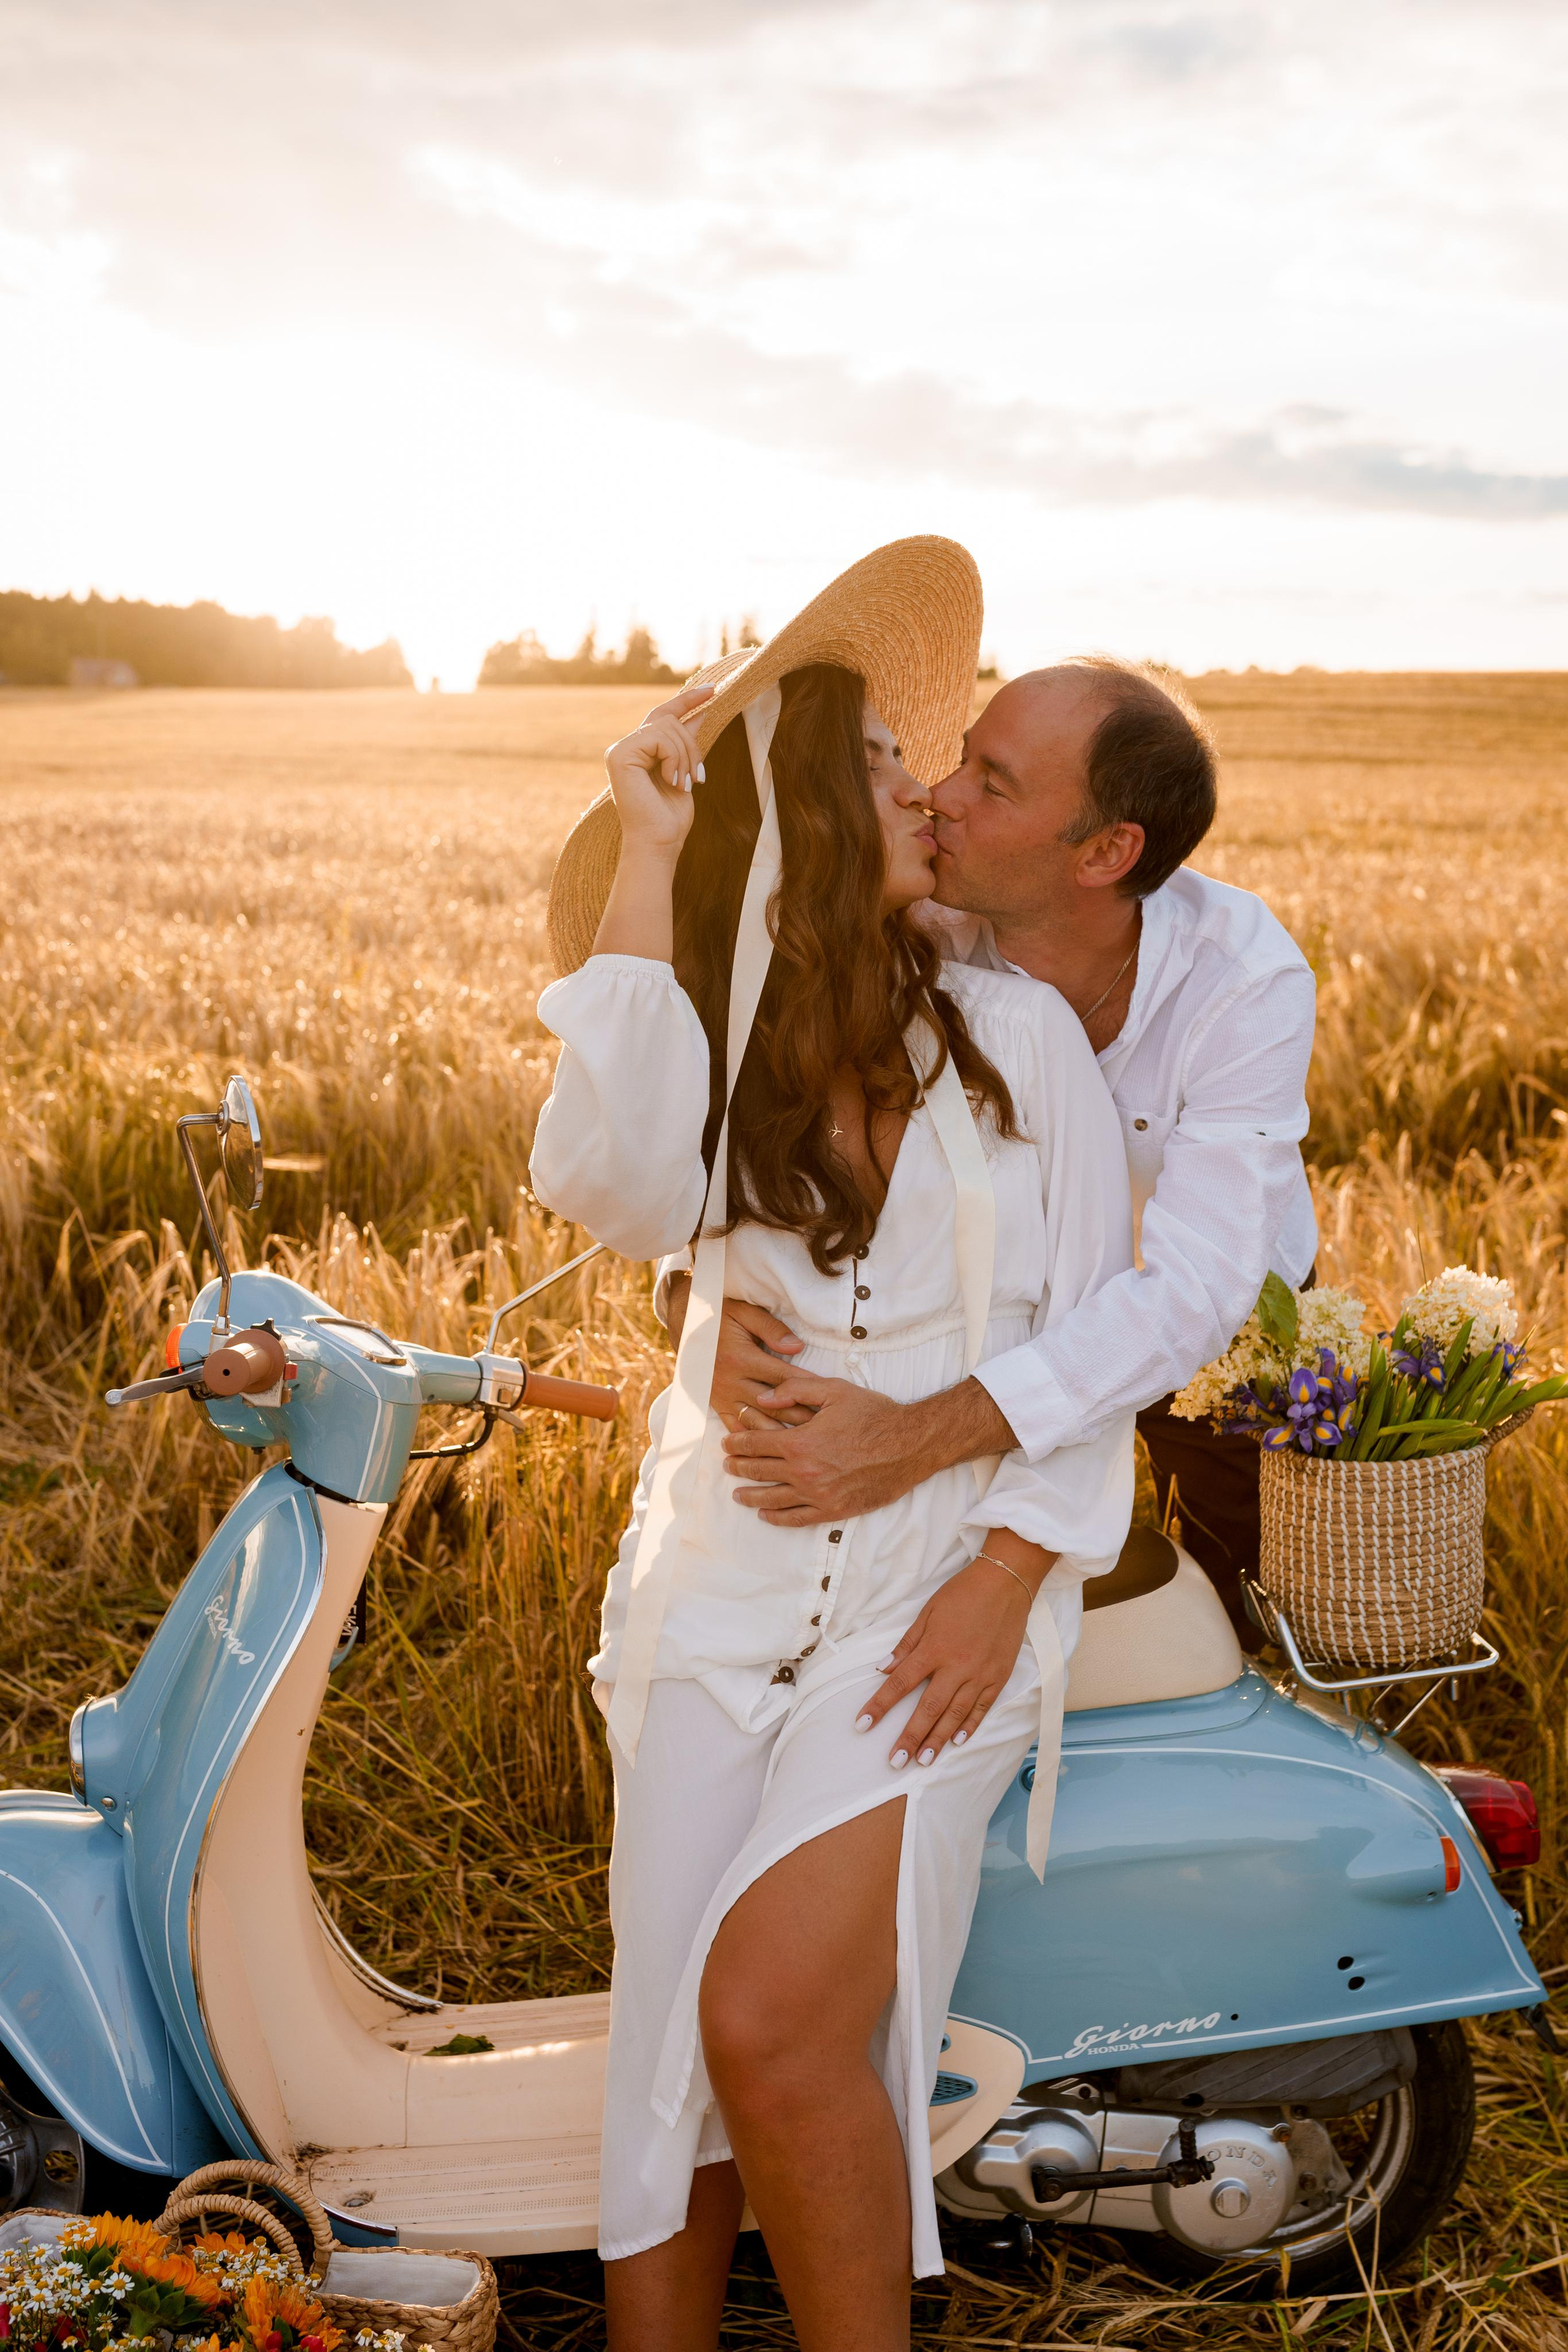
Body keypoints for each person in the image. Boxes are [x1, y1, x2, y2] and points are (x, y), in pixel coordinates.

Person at [528, 540, 1135, 2352]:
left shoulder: (1020, 1040)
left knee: (771, 2020)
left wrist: (1005, 1579)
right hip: (716, 1587)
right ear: (798, 815)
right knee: (663, 2037)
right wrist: (653, 849)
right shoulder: (722, 1052)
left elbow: (1098, 1349)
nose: (924, 787)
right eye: (879, 762)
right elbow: (609, 1181)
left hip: (930, 1595)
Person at [699, 657, 1318, 1649]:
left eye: (992, 784)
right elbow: (755, 1093)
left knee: (1254, 1602)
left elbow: (1194, 1294)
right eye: (960, 759)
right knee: (936, 1593)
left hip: (1220, 1324)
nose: (938, 796)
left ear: (1106, 852)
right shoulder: (920, 915)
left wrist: (912, 1439)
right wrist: (691, 1293)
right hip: (1005, 1311)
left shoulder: (1242, 978)